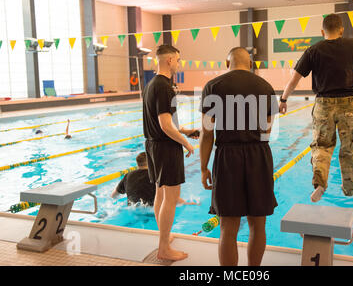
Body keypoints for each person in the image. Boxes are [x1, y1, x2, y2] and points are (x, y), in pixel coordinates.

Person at [199, 47, 278, 266]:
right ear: (251, 64)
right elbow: (267, 130)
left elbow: (206, 132)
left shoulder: (213, 87)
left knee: (228, 227)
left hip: (227, 157)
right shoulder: (266, 87)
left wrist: (204, 167)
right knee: (257, 225)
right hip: (259, 155)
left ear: (227, 64)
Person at [279, 13, 353, 203]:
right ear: (341, 30)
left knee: (322, 147)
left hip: (324, 104)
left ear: (322, 31)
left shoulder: (313, 50)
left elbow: (295, 78)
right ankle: (349, 186)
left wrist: (283, 99)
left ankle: (320, 184)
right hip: (349, 101)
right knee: (350, 146)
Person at [142, 44, 199, 262]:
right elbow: (165, 126)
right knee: (171, 197)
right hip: (166, 148)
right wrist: (187, 143)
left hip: (153, 146)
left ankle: (163, 237)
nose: (179, 63)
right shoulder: (165, 86)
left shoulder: (151, 85)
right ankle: (164, 247)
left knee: (160, 193)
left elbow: (162, 125)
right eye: (178, 59)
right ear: (169, 60)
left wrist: (185, 130)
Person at [111, 153, 200, 206]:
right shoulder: (157, 176)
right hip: (152, 211)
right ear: (151, 163)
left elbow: (114, 196)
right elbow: (173, 198)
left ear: (138, 164)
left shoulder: (128, 176)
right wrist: (188, 203)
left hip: (133, 208)